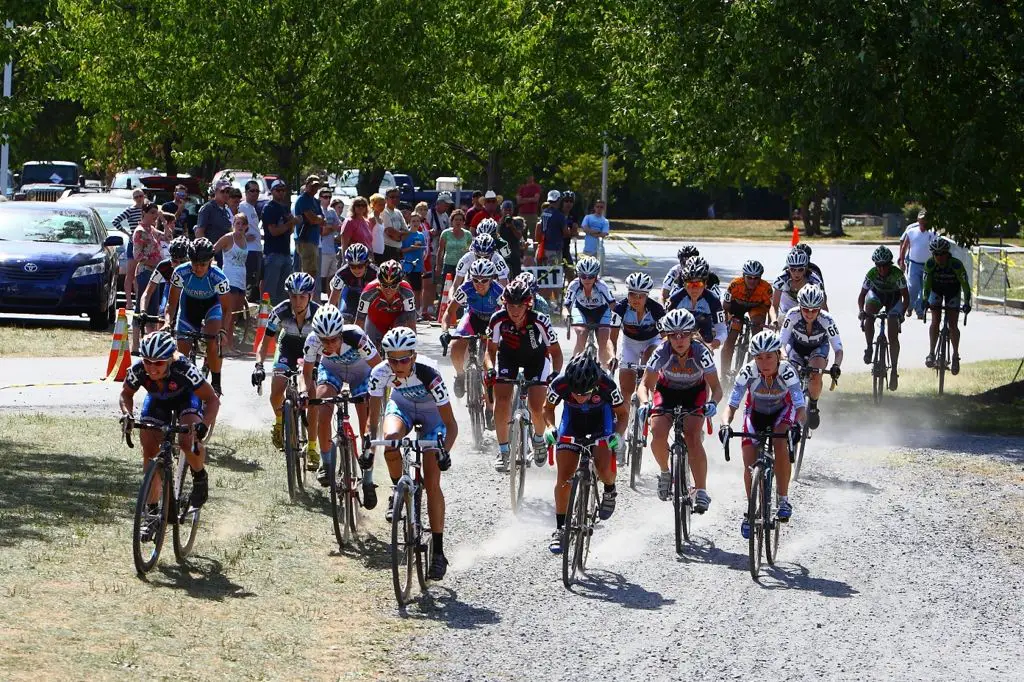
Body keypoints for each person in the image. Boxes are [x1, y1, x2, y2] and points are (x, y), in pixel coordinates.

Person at [366, 326, 458, 580]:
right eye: (392, 359)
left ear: (414, 357)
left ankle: (438, 552)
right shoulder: (379, 373)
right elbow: (372, 420)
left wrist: (444, 452)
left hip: (433, 416)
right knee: (391, 440)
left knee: (432, 482)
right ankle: (399, 491)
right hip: (402, 407)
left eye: (404, 359)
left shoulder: (431, 376)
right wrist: (368, 444)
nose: (398, 365)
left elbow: (451, 425)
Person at [119, 331, 220, 540]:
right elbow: (126, 394)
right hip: (157, 401)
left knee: (186, 441)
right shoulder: (139, 370)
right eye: (147, 362)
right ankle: (152, 513)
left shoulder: (184, 369)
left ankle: (200, 476)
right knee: (149, 450)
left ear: (169, 360)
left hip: (187, 398)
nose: (152, 368)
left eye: (158, 363)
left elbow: (212, 400)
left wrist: (203, 425)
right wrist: (127, 415)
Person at [719, 331, 806, 538]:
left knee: (779, 441)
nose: (764, 362)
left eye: (769, 356)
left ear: (778, 354)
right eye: (759, 357)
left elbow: (800, 406)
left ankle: (783, 499)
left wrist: (796, 426)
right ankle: (751, 510)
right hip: (755, 413)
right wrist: (725, 425)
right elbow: (731, 406)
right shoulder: (748, 371)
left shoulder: (787, 371)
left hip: (782, 413)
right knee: (749, 460)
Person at [635, 309, 723, 507]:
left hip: (695, 393)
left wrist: (712, 404)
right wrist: (644, 402)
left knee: (692, 436)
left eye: (684, 334)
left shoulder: (701, 352)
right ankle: (665, 472)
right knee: (657, 432)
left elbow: (717, 388)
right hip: (667, 393)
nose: (679, 339)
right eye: (673, 334)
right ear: (667, 336)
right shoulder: (661, 351)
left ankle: (701, 489)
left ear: (692, 334)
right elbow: (644, 385)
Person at [542, 353, 628, 554]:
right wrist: (549, 427)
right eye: (576, 393)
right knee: (563, 478)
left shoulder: (607, 385)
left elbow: (622, 414)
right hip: (572, 423)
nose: (580, 398)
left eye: (586, 393)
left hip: (601, 422)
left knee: (604, 467)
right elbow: (548, 408)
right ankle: (560, 529)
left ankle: (609, 488)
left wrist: (619, 435)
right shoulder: (560, 384)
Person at [487, 278, 563, 471]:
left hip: (536, 360)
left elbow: (555, 352)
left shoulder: (539, 320)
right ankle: (503, 451)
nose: (515, 310)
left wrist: (554, 374)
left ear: (528, 304)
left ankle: (538, 440)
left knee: (536, 406)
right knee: (502, 401)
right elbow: (490, 351)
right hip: (508, 358)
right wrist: (489, 368)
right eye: (511, 305)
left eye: (519, 305)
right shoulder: (498, 319)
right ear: (505, 303)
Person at [303, 304, 381, 489]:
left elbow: (379, 369)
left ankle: (368, 478)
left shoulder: (357, 337)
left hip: (361, 373)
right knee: (322, 412)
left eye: (333, 340)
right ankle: (327, 463)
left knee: (366, 425)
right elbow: (306, 374)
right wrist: (305, 393)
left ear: (341, 333)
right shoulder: (312, 341)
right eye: (324, 340)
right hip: (332, 371)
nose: (329, 344)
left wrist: (379, 395)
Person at [252, 272, 320, 462]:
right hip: (287, 349)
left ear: (310, 296)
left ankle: (313, 446)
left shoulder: (318, 314)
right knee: (276, 390)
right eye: (293, 296)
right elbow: (264, 343)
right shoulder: (280, 312)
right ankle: (280, 421)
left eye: (302, 297)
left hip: (312, 352)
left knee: (313, 396)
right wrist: (258, 365)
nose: (297, 301)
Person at [163, 238, 231, 395]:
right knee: (180, 354)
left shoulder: (218, 277)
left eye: (203, 264)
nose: (198, 268)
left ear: (210, 262)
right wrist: (168, 323)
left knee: (213, 343)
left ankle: (216, 383)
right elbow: (171, 304)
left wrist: (223, 331)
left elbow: (227, 309)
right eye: (194, 263)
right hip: (188, 308)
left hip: (211, 308)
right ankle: (180, 383)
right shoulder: (180, 272)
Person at [443, 259, 504, 418]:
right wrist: (444, 331)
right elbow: (449, 313)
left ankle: (490, 408)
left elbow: (506, 316)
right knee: (456, 344)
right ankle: (461, 375)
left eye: (484, 280)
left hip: (492, 320)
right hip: (473, 318)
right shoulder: (466, 288)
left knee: (489, 364)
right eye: (475, 279)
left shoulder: (499, 291)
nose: (479, 283)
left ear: (491, 279)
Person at [779, 284, 843, 429]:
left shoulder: (827, 319)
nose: (809, 313)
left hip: (818, 348)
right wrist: (784, 358)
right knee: (787, 372)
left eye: (814, 310)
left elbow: (838, 350)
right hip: (796, 346)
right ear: (799, 306)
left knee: (816, 371)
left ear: (820, 308)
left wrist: (836, 366)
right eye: (805, 309)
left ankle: (813, 406)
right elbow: (781, 342)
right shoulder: (792, 315)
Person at [610, 272, 666, 417]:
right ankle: (626, 425)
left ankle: (651, 407)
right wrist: (612, 356)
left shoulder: (657, 310)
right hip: (630, 344)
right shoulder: (620, 309)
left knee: (649, 360)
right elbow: (612, 339)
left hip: (651, 342)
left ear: (647, 296)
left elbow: (666, 337)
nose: (636, 299)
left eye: (641, 296)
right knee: (626, 389)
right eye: (632, 294)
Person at [858, 246, 910, 389]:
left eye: (885, 265)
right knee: (869, 314)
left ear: (890, 264)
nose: (881, 268)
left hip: (894, 299)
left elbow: (906, 297)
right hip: (877, 296)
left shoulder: (897, 274)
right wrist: (861, 312)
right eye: (878, 265)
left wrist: (902, 313)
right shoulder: (871, 274)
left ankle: (893, 370)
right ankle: (869, 347)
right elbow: (862, 295)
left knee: (892, 333)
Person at [124, 202, 172, 351]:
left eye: (155, 213)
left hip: (156, 273)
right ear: (144, 213)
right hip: (145, 271)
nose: (154, 216)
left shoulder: (151, 229)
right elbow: (137, 255)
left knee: (153, 309)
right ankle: (136, 344)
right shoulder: (139, 232)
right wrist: (155, 262)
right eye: (152, 213)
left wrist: (164, 220)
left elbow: (168, 237)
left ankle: (150, 343)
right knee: (141, 306)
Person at [922, 237, 971, 374]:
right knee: (935, 321)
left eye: (942, 253)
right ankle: (931, 353)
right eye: (936, 254)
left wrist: (967, 302)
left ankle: (955, 355)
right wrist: (925, 300)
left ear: (947, 253)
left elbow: (965, 286)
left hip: (952, 292)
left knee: (953, 324)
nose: (939, 257)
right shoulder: (930, 264)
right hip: (936, 290)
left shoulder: (956, 264)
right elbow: (926, 285)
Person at [721, 259, 775, 376]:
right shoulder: (734, 285)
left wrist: (773, 323)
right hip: (737, 308)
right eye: (749, 277)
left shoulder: (766, 288)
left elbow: (771, 308)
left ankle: (753, 368)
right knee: (731, 337)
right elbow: (725, 306)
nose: (752, 281)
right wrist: (727, 320)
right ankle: (724, 373)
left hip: (757, 308)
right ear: (744, 276)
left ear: (760, 277)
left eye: (756, 278)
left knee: (757, 330)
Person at [563, 255, 616, 368]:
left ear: (596, 276)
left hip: (601, 311)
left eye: (591, 276)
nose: (587, 279)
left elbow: (612, 305)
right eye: (583, 276)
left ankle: (604, 367)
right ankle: (575, 366)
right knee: (581, 332)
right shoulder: (574, 285)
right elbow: (566, 306)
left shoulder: (602, 286)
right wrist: (566, 315)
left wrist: (615, 319)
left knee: (603, 336)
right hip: (581, 310)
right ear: (579, 275)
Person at [354, 259, 417, 351]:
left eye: (393, 286)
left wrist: (412, 348)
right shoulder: (368, 292)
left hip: (398, 320)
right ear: (379, 282)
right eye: (384, 285)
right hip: (375, 320)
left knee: (399, 344)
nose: (388, 290)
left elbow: (412, 323)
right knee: (370, 350)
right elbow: (359, 322)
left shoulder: (406, 291)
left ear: (400, 283)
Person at [666, 257, 727, 350]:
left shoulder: (713, 300)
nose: (694, 289)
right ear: (684, 284)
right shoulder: (675, 298)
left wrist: (711, 346)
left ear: (706, 284)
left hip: (704, 338)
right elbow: (664, 327)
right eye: (690, 285)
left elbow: (722, 331)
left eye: (698, 285)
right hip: (678, 337)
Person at [213, 213, 252, 353]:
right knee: (228, 313)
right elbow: (213, 249)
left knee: (235, 315)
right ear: (233, 224)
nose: (240, 226)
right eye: (238, 223)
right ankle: (223, 346)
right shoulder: (228, 238)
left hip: (241, 279)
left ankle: (230, 344)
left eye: (243, 224)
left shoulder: (245, 239)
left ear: (247, 226)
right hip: (229, 278)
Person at [261, 179, 301, 304]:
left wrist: (292, 224)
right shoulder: (269, 208)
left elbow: (288, 231)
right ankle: (265, 318)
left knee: (283, 292)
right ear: (272, 191)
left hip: (285, 253)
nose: (281, 193)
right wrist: (291, 222)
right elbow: (273, 231)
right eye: (278, 190)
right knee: (270, 291)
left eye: (283, 190)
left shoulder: (285, 208)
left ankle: (279, 318)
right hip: (273, 253)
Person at [140, 236, 190, 322]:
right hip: (170, 289)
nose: (178, 265)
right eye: (174, 261)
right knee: (163, 313)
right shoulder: (163, 266)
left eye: (182, 262)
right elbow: (147, 292)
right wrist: (143, 311)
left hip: (188, 292)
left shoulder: (194, 268)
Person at [898, 208, 935, 320]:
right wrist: (902, 260)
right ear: (918, 220)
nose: (923, 222)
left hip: (928, 265)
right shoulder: (911, 231)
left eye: (925, 220)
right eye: (921, 220)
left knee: (924, 290)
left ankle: (920, 310)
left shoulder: (932, 233)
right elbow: (904, 246)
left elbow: (936, 248)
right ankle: (909, 306)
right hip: (914, 264)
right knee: (913, 287)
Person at [329, 243, 379, 322]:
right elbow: (332, 301)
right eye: (352, 266)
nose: (357, 270)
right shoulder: (342, 273)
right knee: (344, 317)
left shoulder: (376, 273)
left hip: (370, 297)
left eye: (360, 266)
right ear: (348, 264)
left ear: (366, 263)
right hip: (350, 293)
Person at [772, 247, 826, 318]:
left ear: (806, 268)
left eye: (800, 270)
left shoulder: (815, 280)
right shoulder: (781, 279)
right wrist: (773, 321)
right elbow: (774, 306)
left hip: (806, 307)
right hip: (786, 309)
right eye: (792, 269)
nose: (796, 273)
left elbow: (823, 307)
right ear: (788, 268)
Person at [294, 176, 326, 294]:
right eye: (312, 186)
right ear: (306, 185)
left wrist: (317, 218)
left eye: (316, 187)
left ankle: (307, 296)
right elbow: (312, 219)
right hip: (305, 240)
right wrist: (317, 218)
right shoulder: (303, 199)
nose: (314, 189)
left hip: (313, 240)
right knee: (308, 272)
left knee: (312, 271)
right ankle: (304, 295)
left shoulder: (315, 201)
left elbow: (323, 219)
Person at [436, 208, 473, 286]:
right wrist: (438, 266)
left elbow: (469, 251)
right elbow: (441, 250)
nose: (458, 222)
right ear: (452, 221)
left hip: (463, 266)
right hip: (448, 265)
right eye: (456, 219)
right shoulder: (445, 233)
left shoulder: (468, 235)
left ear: (463, 222)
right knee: (445, 289)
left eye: (460, 219)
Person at [240, 180, 263, 303]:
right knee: (249, 281)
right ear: (246, 192)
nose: (255, 193)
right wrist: (243, 236)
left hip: (257, 249)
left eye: (257, 191)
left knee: (255, 282)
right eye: (252, 190)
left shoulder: (252, 208)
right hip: (250, 250)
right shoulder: (243, 206)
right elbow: (235, 224)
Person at [195, 180, 233, 255]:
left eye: (228, 191)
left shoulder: (226, 210)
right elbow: (199, 232)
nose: (225, 194)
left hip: (225, 254)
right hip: (211, 253)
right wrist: (207, 253)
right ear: (215, 191)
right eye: (222, 191)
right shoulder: (207, 208)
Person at [401, 211, 428, 314]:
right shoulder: (405, 235)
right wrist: (410, 248)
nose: (415, 223)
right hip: (407, 266)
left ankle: (417, 311)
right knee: (407, 289)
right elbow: (401, 251)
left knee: (418, 290)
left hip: (418, 266)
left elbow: (422, 251)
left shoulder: (421, 235)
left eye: (417, 221)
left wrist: (423, 266)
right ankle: (406, 309)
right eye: (413, 221)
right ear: (409, 222)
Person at [318, 190, 342, 295]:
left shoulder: (332, 211)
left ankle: (330, 301)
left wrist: (329, 228)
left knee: (331, 278)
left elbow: (340, 226)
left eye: (329, 197)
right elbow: (322, 232)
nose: (328, 199)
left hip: (332, 250)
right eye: (325, 197)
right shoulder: (318, 211)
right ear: (320, 198)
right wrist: (332, 228)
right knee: (320, 278)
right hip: (322, 250)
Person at [536, 190, 566, 267]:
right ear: (559, 200)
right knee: (554, 272)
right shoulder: (560, 215)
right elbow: (565, 232)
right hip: (555, 248)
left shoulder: (544, 213)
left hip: (543, 247)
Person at [580, 199, 610, 272]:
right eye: (597, 206)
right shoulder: (588, 217)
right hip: (587, 249)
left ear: (604, 208)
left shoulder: (605, 221)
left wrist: (590, 231)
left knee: (597, 271)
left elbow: (603, 234)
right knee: (585, 269)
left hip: (598, 250)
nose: (599, 208)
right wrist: (596, 231)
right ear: (594, 207)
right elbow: (584, 228)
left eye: (601, 207)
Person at [380, 187, 408, 263]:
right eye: (392, 197)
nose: (395, 199)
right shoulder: (384, 212)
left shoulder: (398, 212)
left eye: (397, 197)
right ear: (386, 199)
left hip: (398, 250)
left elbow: (407, 231)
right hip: (387, 250)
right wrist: (400, 234)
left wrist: (399, 235)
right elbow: (390, 232)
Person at [559, 191, 579, 279]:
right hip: (555, 248)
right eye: (566, 201)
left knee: (571, 271)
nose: (568, 204)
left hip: (566, 248)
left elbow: (574, 232)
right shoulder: (557, 214)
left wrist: (570, 233)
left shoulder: (573, 215)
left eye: (571, 201)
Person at [368, 193, 387, 264]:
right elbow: (368, 236)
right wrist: (370, 252)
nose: (382, 207)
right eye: (380, 204)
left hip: (381, 250)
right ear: (373, 205)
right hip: (373, 251)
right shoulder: (371, 218)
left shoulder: (381, 219)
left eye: (383, 204)